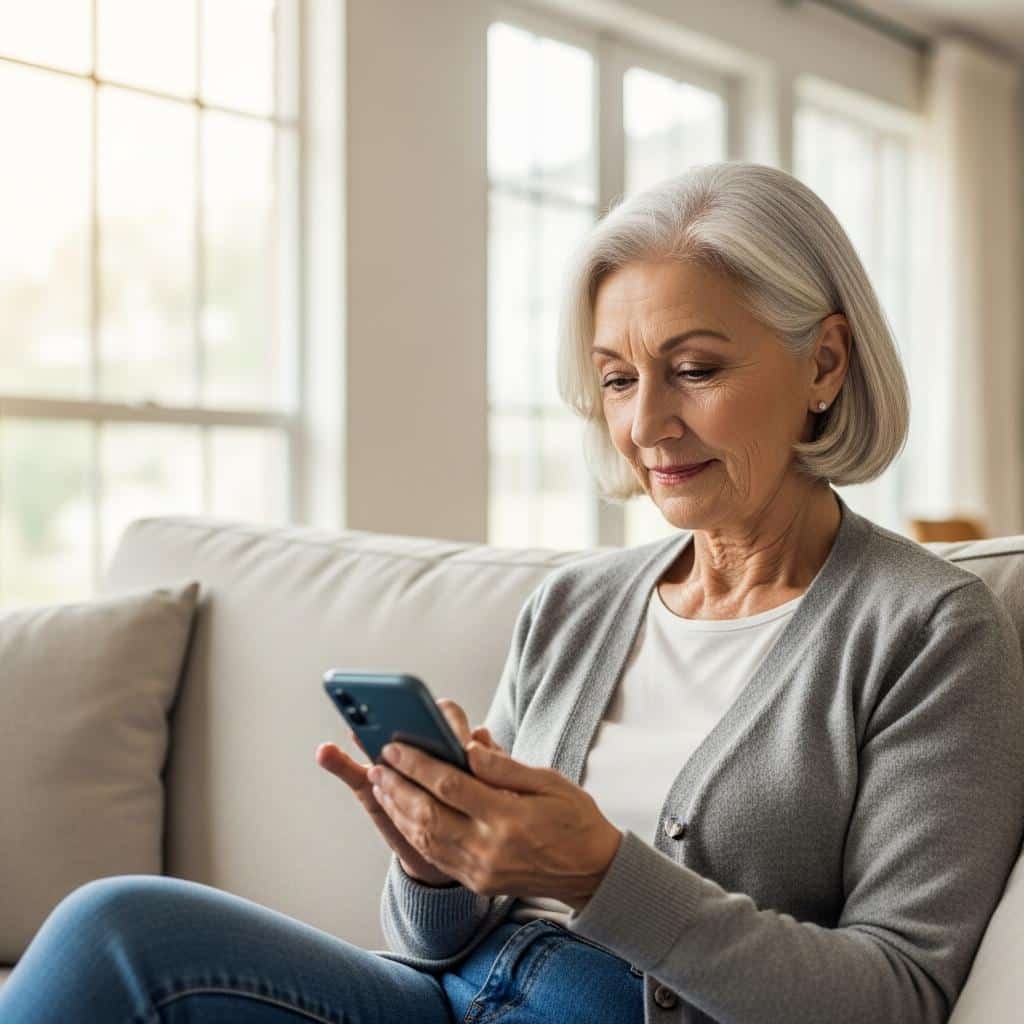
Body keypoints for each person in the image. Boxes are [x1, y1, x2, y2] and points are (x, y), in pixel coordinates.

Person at [2, 161, 1022, 1024]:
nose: (647, 423)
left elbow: (898, 992)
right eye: (617, 379)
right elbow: (428, 944)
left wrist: (601, 874)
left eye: (695, 368)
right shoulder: (579, 606)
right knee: (116, 931)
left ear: (825, 363)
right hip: (458, 998)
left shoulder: (928, 628)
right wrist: (436, 864)